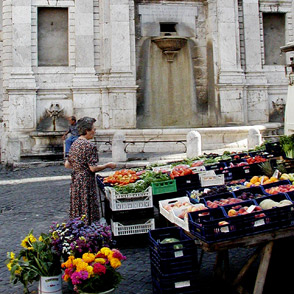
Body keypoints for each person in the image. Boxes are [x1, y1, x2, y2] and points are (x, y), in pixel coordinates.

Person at [64, 117, 116, 225]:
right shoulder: (89, 146)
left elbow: (67, 164)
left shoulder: (74, 144)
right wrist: (107, 165)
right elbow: (92, 168)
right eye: (93, 129)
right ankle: (90, 232)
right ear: (87, 131)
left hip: (76, 180)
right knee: (88, 208)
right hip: (86, 181)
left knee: (77, 208)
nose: (95, 131)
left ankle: (79, 231)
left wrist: (79, 166)